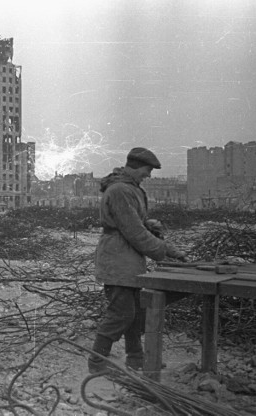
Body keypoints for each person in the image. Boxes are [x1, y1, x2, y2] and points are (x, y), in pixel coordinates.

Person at [88, 147, 187, 373]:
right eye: (147, 170)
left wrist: (148, 225)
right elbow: (134, 232)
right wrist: (167, 251)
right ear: (135, 167)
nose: (149, 175)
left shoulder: (129, 188)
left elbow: (134, 224)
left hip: (127, 260)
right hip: (118, 260)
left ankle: (136, 358)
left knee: (133, 314)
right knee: (121, 314)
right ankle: (96, 363)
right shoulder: (121, 191)